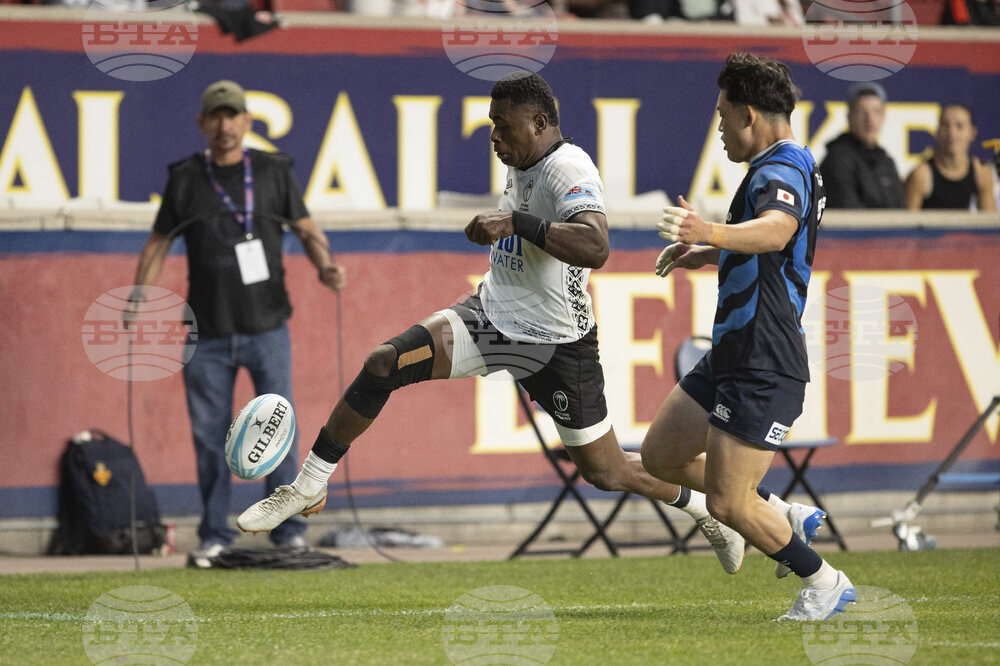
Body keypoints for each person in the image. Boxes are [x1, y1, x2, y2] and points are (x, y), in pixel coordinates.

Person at [237, 71, 745, 573]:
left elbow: (596, 247)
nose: (495, 137)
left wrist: (515, 223)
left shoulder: (568, 166)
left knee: (607, 472)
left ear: (541, 121)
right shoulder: (524, 159)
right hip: (490, 319)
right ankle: (308, 483)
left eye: (503, 125)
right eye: (491, 125)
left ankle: (706, 508)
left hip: (556, 344)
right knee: (383, 362)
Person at [640, 52, 856, 621]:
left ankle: (825, 581)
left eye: (721, 114)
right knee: (661, 454)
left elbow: (778, 232)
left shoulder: (781, 167)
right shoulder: (781, 165)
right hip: (734, 351)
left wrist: (707, 228)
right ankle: (782, 512)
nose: (718, 127)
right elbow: (765, 247)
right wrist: (706, 253)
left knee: (727, 502)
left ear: (750, 115)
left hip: (765, 357)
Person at [129, 80, 347, 563]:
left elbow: (306, 228)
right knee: (209, 439)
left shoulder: (271, 171)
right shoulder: (186, 178)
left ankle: (287, 529)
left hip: (267, 325)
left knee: (279, 433)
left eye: (233, 116)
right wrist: (139, 295)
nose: (224, 125)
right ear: (203, 124)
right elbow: (158, 242)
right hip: (205, 332)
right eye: (216, 116)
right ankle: (214, 532)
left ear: (248, 122)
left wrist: (325, 266)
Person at [820, 81, 904, 208]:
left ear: (883, 116)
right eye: (862, 112)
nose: (869, 120)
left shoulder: (886, 162)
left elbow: (902, 212)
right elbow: (849, 216)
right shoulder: (837, 161)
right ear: (849, 116)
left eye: (876, 111)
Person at [904, 103, 996, 212]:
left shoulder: (982, 173)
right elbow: (907, 225)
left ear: (972, 133)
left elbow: (988, 224)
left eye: (959, 126)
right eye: (945, 125)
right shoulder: (921, 175)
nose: (952, 133)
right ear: (937, 132)